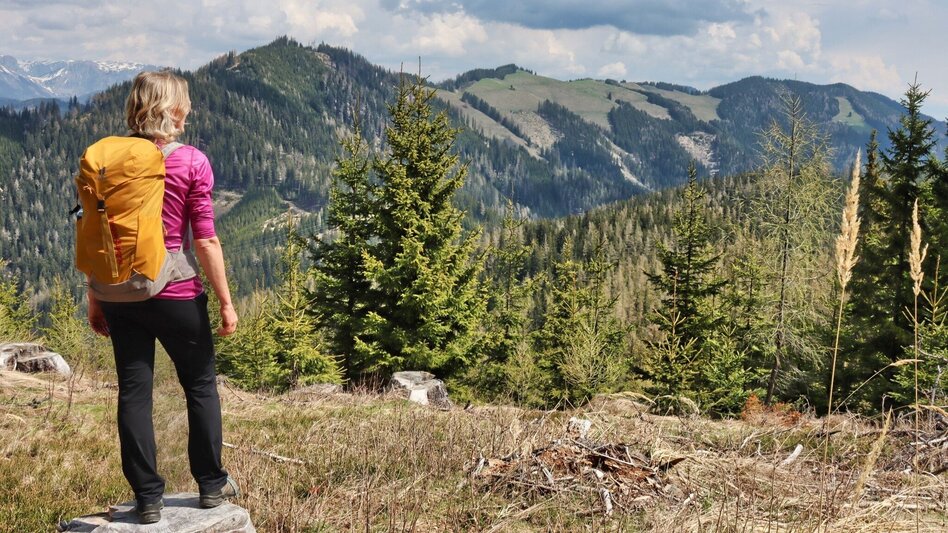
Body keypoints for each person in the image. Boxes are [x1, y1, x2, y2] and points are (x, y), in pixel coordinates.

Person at [85, 71, 240, 524]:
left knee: (134, 392)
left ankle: (148, 498)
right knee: (199, 385)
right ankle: (211, 485)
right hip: (174, 292)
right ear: (172, 111)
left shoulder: (107, 160)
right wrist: (226, 302)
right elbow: (206, 241)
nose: (188, 111)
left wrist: (96, 295)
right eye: (184, 105)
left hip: (118, 291)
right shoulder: (190, 160)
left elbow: (98, 235)